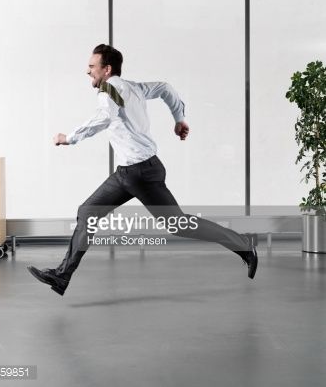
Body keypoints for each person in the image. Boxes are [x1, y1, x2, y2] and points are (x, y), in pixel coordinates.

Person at [28, 44, 258, 296]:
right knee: (87, 212)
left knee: (179, 224)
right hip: (129, 172)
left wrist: (68, 138)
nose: (88, 71)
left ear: (107, 69)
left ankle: (244, 245)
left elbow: (104, 117)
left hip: (140, 173)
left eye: (92, 67)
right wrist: (179, 118)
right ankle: (62, 277)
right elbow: (165, 88)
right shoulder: (134, 87)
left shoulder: (108, 90)